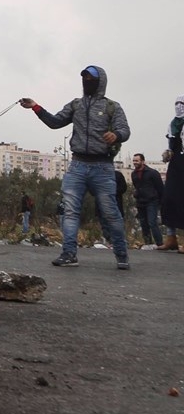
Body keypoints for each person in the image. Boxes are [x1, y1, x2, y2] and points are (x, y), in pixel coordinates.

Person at [19, 65, 131, 269]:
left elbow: (124, 129)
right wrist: (35, 106)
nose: (86, 80)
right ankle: (69, 254)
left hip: (103, 167)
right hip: (77, 165)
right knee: (70, 211)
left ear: (100, 82)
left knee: (110, 212)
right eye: (84, 77)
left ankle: (122, 254)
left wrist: (116, 135)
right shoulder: (76, 105)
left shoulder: (112, 107)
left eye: (90, 77)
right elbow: (54, 122)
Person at [159, 95, 184, 252]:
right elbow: (171, 144)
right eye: (177, 104)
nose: (179, 106)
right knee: (169, 198)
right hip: (175, 166)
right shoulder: (173, 123)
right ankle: (170, 237)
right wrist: (167, 152)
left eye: (182, 104)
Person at [131, 153, 164, 247]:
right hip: (140, 202)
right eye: (134, 161)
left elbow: (160, 188)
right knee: (143, 223)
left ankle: (160, 244)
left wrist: (160, 202)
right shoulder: (134, 174)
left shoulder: (152, 173)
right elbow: (137, 187)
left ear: (142, 161)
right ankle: (148, 243)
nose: (135, 163)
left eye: (137, 160)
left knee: (152, 222)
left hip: (152, 201)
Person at [96, 169, 126, 246]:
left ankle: (117, 241)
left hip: (115, 204)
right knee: (104, 225)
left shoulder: (117, 175)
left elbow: (123, 188)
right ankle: (110, 241)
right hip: (101, 205)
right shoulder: (97, 175)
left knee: (116, 224)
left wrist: (111, 192)